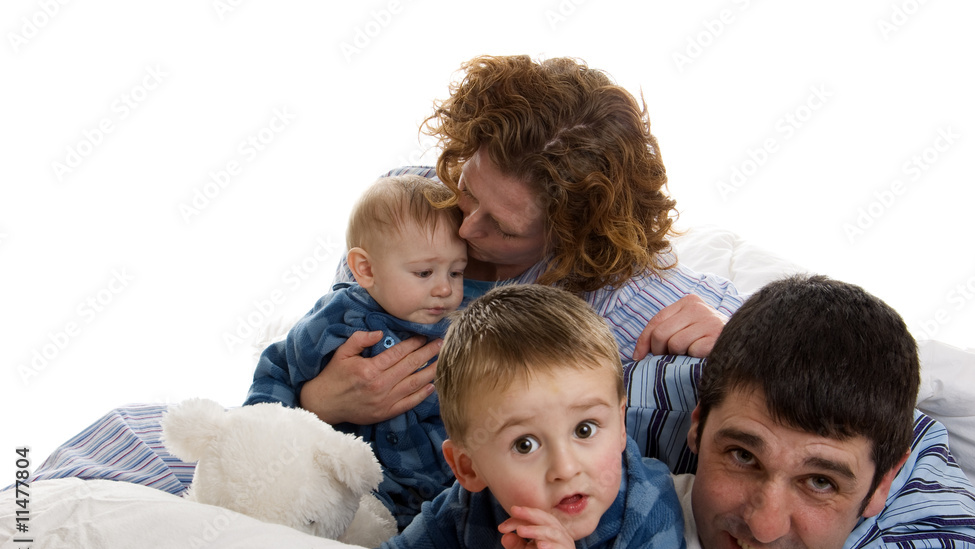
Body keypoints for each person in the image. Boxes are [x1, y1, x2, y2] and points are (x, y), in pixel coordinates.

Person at [298, 54, 745, 430]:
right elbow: (324, 331)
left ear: (572, 237)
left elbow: (803, 354)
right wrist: (317, 402)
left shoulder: (621, 301)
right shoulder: (408, 201)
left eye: (505, 228)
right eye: (469, 191)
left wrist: (740, 344)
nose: (467, 228)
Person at [647, 275, 975, 549]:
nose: (765, 526)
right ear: (698, 423)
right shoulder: (641, 405)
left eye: (820, 482)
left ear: (883, 482)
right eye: (743, 457)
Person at [376, 284, 687, 549]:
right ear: (469, 468)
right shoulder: (466, 508)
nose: (566, 469)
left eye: (584, 429)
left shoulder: (647, 505)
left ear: (620, 426)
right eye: (525, 444)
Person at [245, 174, 467, 528]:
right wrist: (265, 434)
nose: (444, 288)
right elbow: (278, 365)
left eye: (456, 272)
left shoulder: (459, 333)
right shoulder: (339, 319)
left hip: (432, 492)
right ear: (365, 269)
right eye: (424, 272)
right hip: (350, 482)